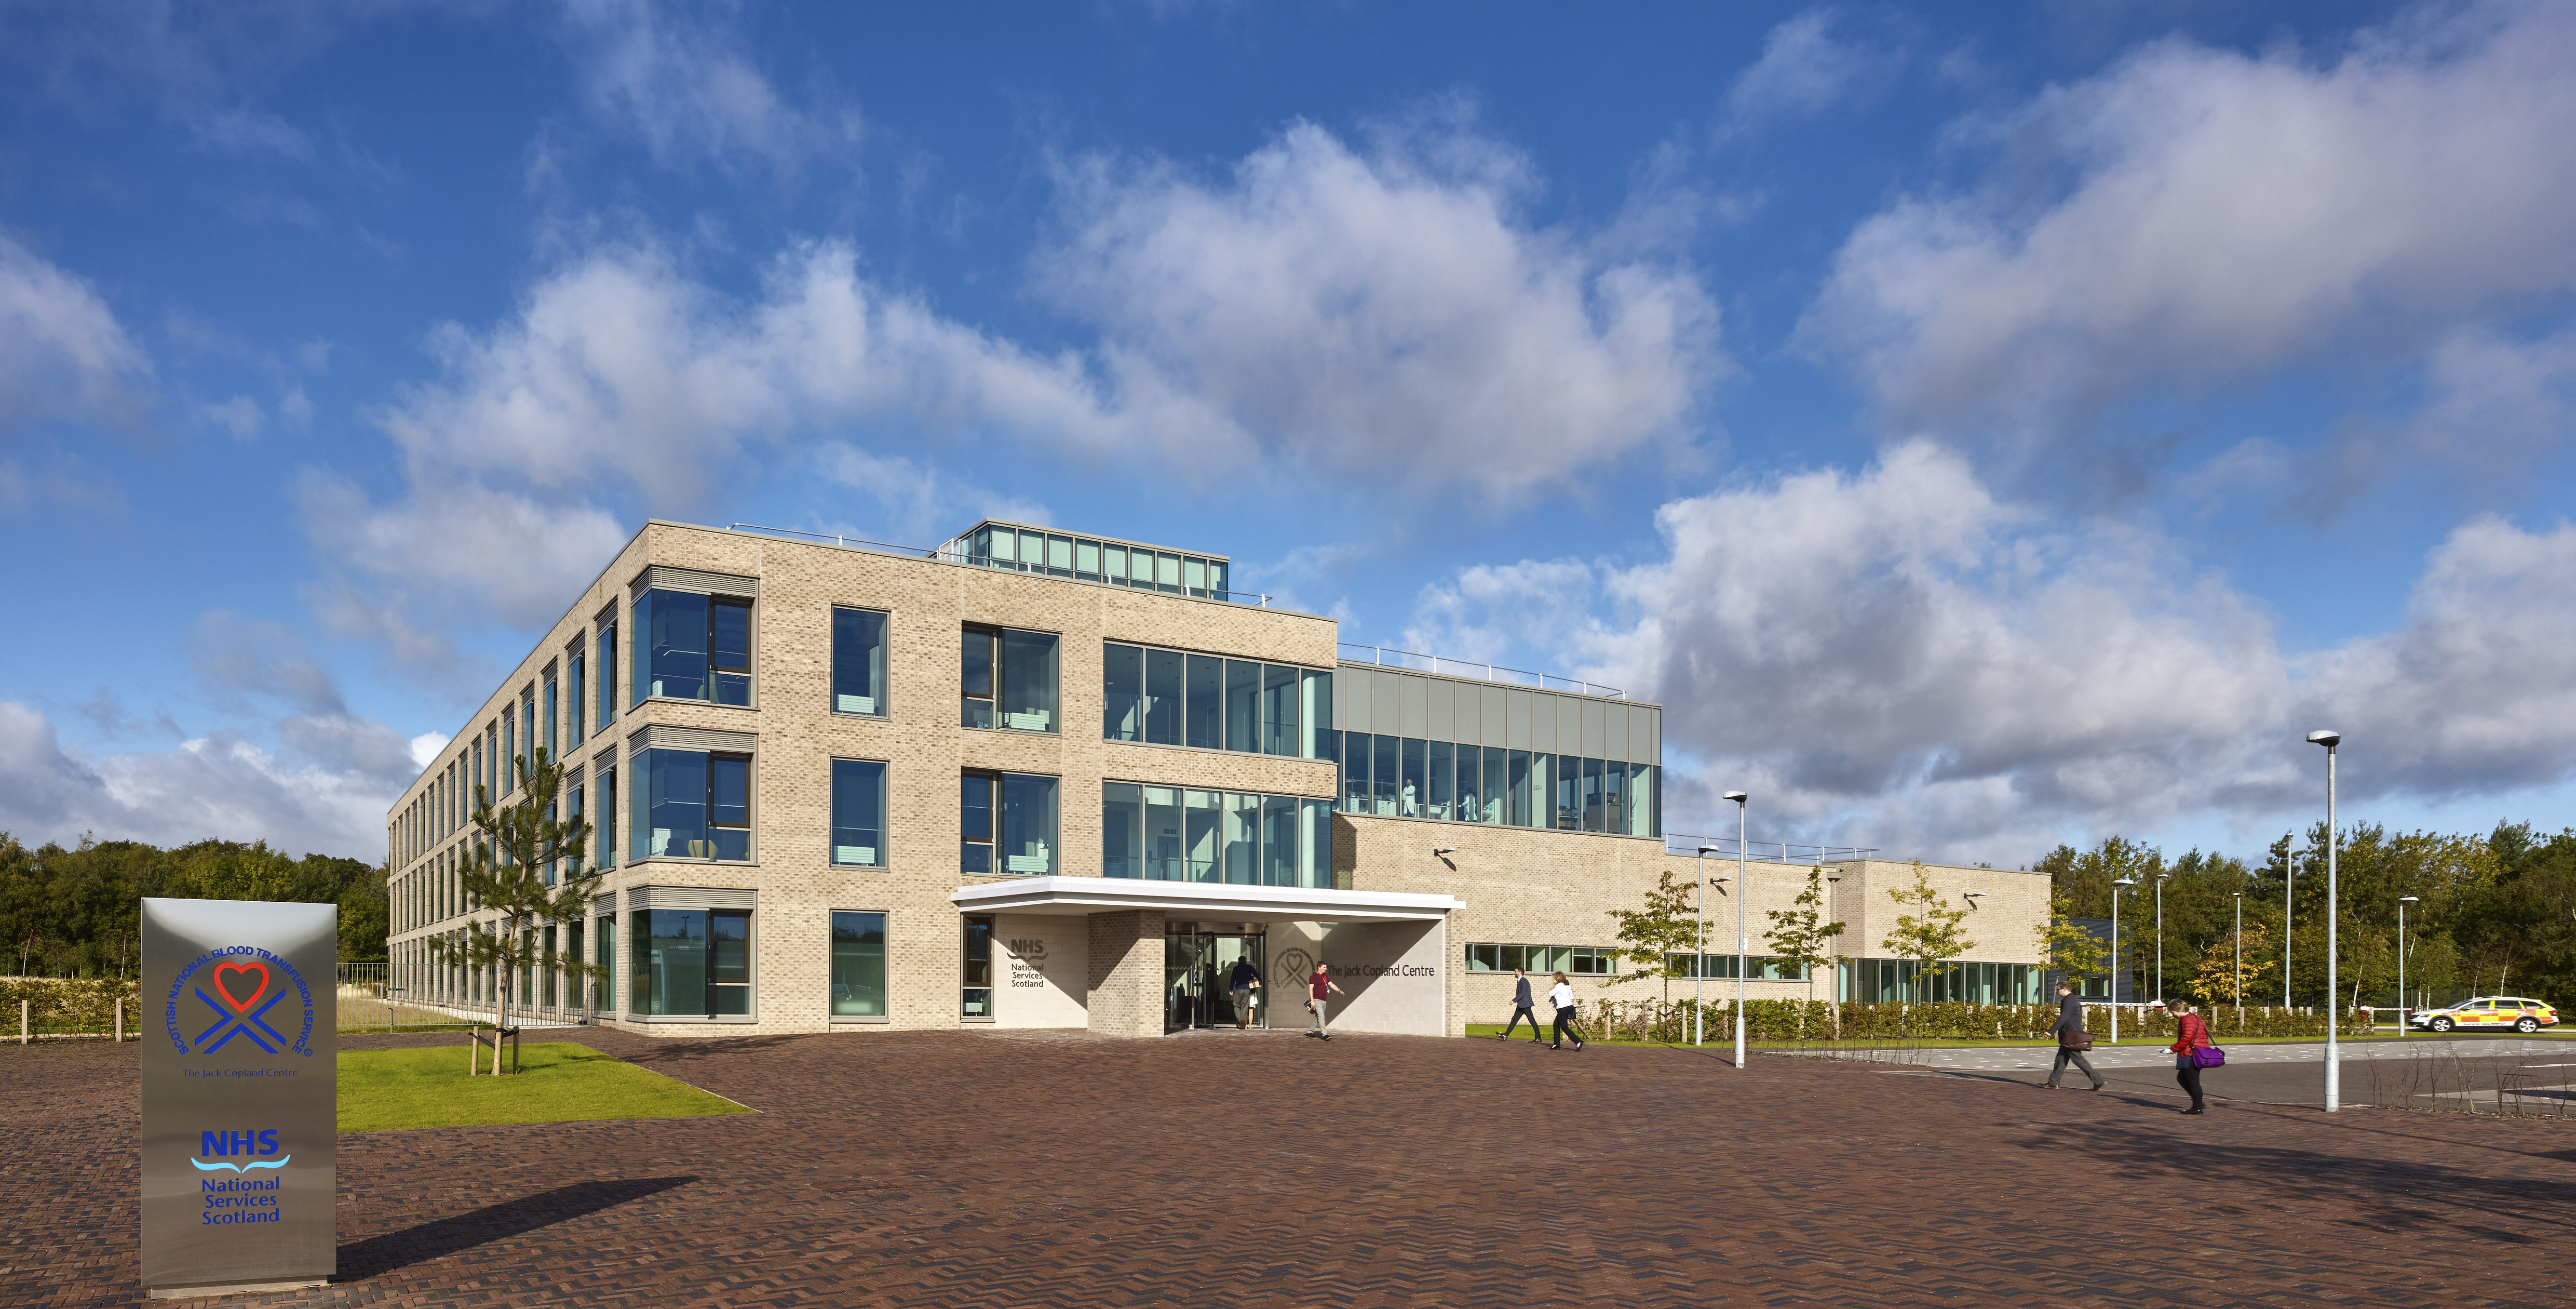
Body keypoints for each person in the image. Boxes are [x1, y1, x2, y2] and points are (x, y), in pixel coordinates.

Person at [2041, 980, 2106, 1091]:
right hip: (2070, 1035)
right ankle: (2054, 1082)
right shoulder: (2071, 1000)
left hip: (2071, 1035)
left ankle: (2098, 1080)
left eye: (2059, 990)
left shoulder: (2069, 1000)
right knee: (2061, 1059)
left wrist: (2051, 1031)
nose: (2057, 992)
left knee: (2078, 1059)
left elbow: (2064, 1017)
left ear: (2065, 989)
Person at [2169, 997, 2214, 1114]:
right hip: (2199, 1052)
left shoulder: (2187, 1020)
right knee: (2183, 1078)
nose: (2173, 1015)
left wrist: (2173, 1049)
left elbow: (2186, 1039)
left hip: (2192, 1053)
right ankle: (2198, 1103)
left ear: (2177, 1010)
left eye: (2172, 1012)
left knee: (2192, 1081)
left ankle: (2198, 1107)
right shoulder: (2196, 1018)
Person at [1500, 967, 1545, 1043]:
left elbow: (1523, 992)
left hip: (1525, 1004)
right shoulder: (1521, 981)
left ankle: (1538, 1037)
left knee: (1532, 1021)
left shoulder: (1523, 981)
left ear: (1520, 973)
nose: (1514, 973)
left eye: (1515, 972)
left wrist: (1514, 1000)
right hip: (1522, 1004)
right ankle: (1505, 1035)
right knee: (1514, 1020)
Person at [1306, 960, 1345, 1039]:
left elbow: (1332, 985)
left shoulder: (1325, 977)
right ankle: (1325, 1035)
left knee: (1318, 1018)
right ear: (1319, 967)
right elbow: (1310, 989)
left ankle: (1310, 1032)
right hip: (1317, 1000)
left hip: (1324, 1001)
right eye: (1324, 967)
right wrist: (1313, 1001)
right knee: (1322, 1017)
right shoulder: (1314, 976)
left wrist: (1339, 991)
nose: (1326, 969)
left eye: (1326, 967)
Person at [1547, 971, 1585, 1050]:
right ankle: (1556, 1044)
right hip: (1569, 1007)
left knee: (1564, 1027)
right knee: (1556, 1025)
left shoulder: (1559, 985)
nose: (1554, 980)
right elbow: (1572, 996)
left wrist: (1553, 986)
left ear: (1557, 979)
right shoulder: (1567, 985)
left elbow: (1551, 993)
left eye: (1555, 979)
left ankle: (1578, 1042)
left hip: (1563, 1008)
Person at [1226, 956, 1261, 1030]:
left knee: (1236, 1005)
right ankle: (1243, 1026)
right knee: (1245, 1007)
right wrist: (1260, 982)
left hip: (1239, 989)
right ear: (1245, 961)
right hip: (1247, 990)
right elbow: (1257, 975)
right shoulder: (1249, 968)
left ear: (1239, 961)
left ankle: (1241, 1020)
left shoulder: (1236, 969)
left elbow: (1233, 980)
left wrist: (1231, 989)